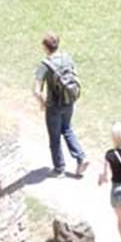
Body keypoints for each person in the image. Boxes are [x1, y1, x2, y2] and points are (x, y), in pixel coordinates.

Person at [33, 32, 89, 177]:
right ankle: (81, 157)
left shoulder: (45, 65)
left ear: (45, 47)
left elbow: (36, 90)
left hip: (54, 106)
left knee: (54, 137)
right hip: (69, 101)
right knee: (67, 129)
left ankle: (59, 168)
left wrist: (42, 103)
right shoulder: (67, 58)